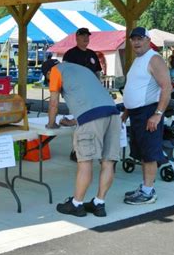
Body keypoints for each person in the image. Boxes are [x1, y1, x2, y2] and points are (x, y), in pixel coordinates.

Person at [42, 59, 120, 217]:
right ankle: (99, 203)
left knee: (85, 162)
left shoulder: (56, 71)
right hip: (113, 113)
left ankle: (77, 204)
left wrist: (51, 124)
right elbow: (90, 97)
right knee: (108, 161)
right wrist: (75, 120)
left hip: (92, 118)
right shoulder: (81, 68)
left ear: (49, 73)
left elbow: (53, 103)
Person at [122, 27, 172, 205]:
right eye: (133, 39)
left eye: (140, 38)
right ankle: (145, 187)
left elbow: (167, 87)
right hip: (136, 114)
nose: (136, 42)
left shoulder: (154, 59)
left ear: (147, 40)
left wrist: (157, 114)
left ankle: (149, 192)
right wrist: (126, 114)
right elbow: (134, 88)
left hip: (148, 113)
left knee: (150, 153)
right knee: (143, 153)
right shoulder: (138, 60)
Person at [62, 27, 103, 162]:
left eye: (87, 36)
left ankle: (88, 147)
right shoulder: (70, 54)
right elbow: (65, 73)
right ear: (77, 38)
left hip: (92, 93)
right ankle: (75, 150)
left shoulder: (92, 54)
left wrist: (99, 88)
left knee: (90, 121)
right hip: (77, 94)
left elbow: (97, 72)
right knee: (77, 121)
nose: (86, 38)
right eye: (83, 36)